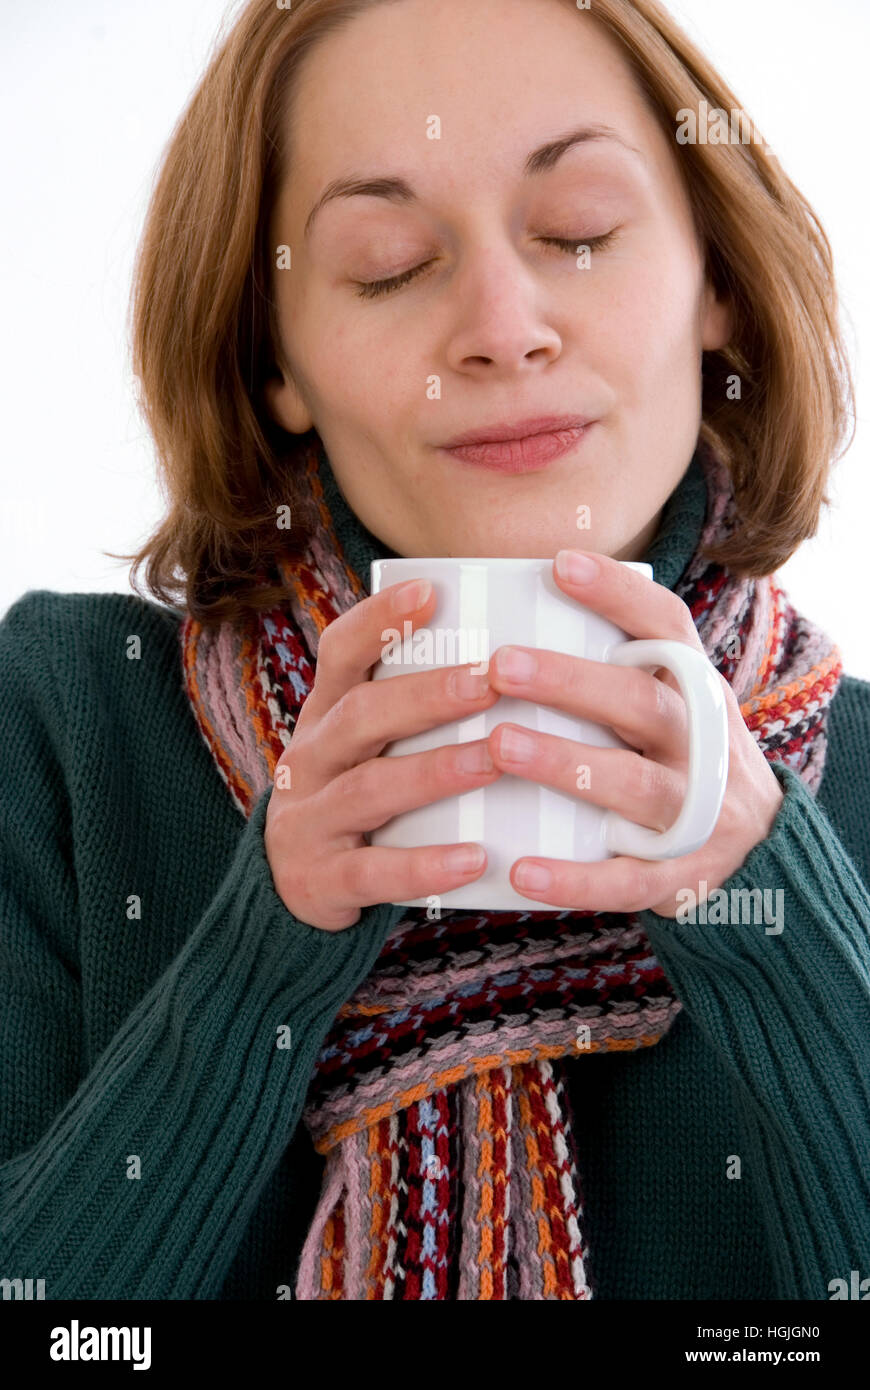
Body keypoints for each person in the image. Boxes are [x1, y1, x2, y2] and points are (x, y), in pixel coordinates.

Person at [1, 0, 868, 1301]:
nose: (503, 326)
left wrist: (774, 909)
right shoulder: (75, 721)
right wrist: (261, 957)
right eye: (387, 261)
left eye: (579, 231)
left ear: (718, 285)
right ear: (274, 357)